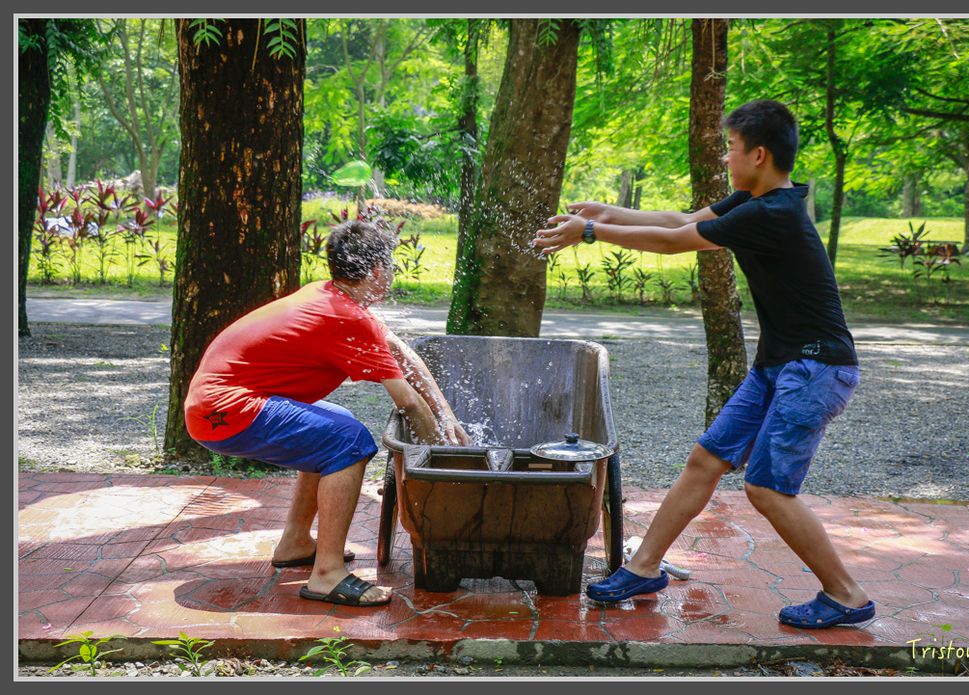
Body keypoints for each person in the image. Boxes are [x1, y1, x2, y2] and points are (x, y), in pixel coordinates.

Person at [532, 99, 874, 629]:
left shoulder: (772, 215)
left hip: (815, 369)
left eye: (730, 148)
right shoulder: (755, 198)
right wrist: (606, 212)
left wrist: (591, 234)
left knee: (766, 488)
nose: (725, 156)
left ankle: (846, 595)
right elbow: (681, 220)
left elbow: (675, 244)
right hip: (780, 365)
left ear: (758, 154)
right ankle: (644, 568)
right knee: (705, 460)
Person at [185, 219, 470, 608]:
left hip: (214, 405)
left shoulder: (330, 295)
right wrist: (443, 463)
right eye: (392, 267)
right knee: (349, 440)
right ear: (375, 272)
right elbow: (407, 402)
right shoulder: (349, 317)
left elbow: (402, 352)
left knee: (334, 420)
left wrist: (447, 416)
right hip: (225, 412)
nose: (393, 275)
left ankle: (296, 541)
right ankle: (327, 574)